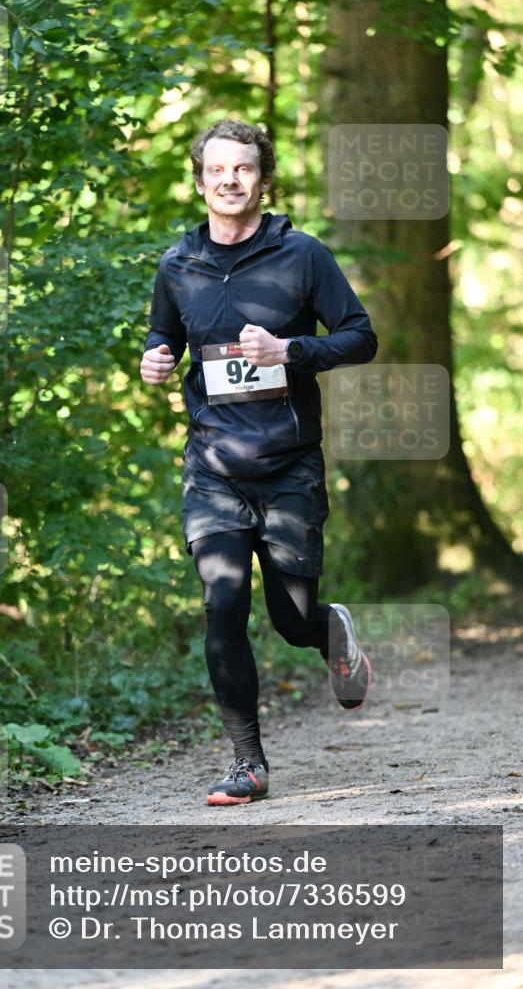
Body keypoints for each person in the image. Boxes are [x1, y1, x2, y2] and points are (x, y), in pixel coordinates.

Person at [140, 119, 376, 806]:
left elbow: (360, 337)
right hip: (212, 465)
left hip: (287, 465)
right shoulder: (176, 264)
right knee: (222, 604)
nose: (229, 180)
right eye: (216, 169)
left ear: (260, 176)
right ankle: (248, 764)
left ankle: (327, 627)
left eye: (241, 168)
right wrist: (157, 357)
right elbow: (164, 334)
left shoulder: (301, 254)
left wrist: (292, 351)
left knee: (289, 617)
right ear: (199, 179)